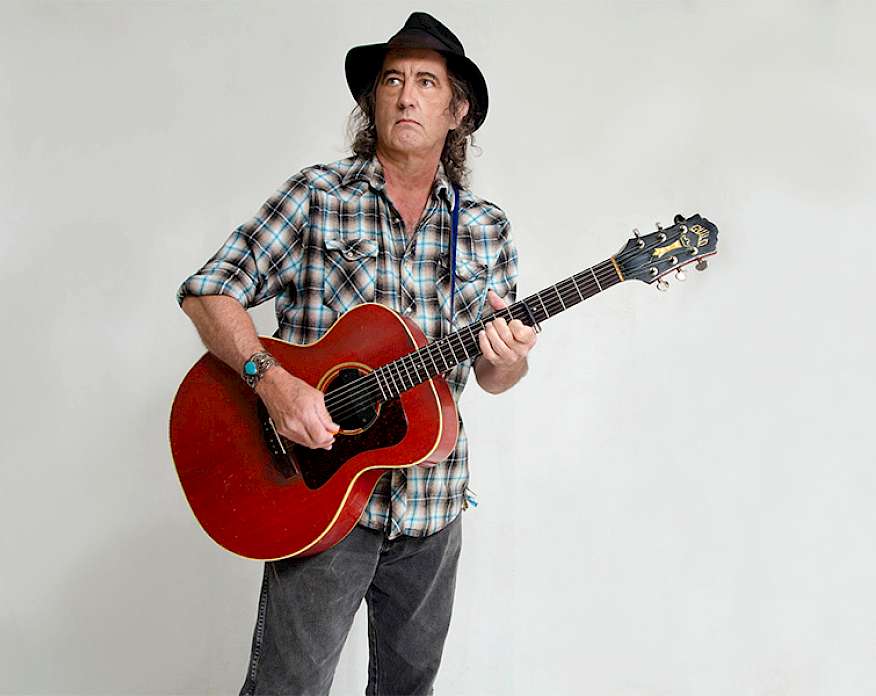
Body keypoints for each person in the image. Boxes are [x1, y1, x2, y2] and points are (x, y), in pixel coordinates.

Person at [177, 12, 537, 696]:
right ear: (373, 102)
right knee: (289, 688)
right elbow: (207, 291)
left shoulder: (488, 229)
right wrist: (271, 382)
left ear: (457, 111)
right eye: (393, 80)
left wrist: (509, 354)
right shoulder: (318, 197)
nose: (406, 96)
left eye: (427, 82)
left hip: (433, 506)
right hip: (318, 494)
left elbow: (494, 377)